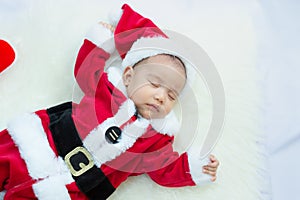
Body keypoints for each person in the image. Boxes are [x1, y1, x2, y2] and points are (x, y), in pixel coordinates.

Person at [0, 4, 219, 200]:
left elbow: (163, 170)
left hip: (74, 189)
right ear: (128, 76)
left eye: (172, 96)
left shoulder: (156, 140)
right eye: (154, 83)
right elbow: (85, 70)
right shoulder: (106, 88)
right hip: (41, 142)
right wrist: (102, 42)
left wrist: (193, 167)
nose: (161, 96)